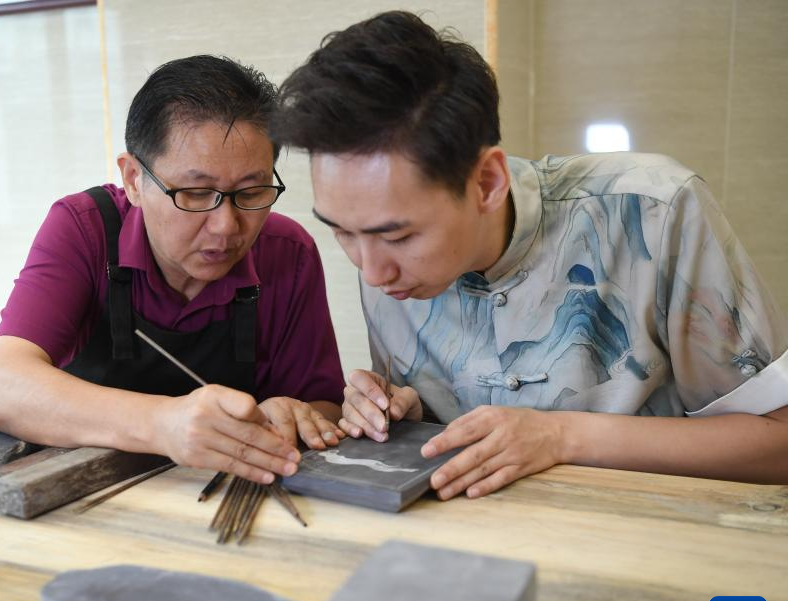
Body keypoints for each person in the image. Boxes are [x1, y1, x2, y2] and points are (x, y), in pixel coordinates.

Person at [270, 11, 788, 499]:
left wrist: (561, 435)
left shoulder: (653, 211)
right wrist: (401, 413)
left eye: (399, 237)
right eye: (342, 233)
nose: (372, 272)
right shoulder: (381, 252)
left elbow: (778, 442)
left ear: (487, 182)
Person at [0, 55, 345, 485]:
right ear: (134, 179)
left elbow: (325, 408)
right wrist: (163, 423)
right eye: (196, 193)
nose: (226, 226)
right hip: (80, 492)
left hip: (222, 493)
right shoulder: (85, 228)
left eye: (251, 192)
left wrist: (289, 414)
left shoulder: (288, 252)